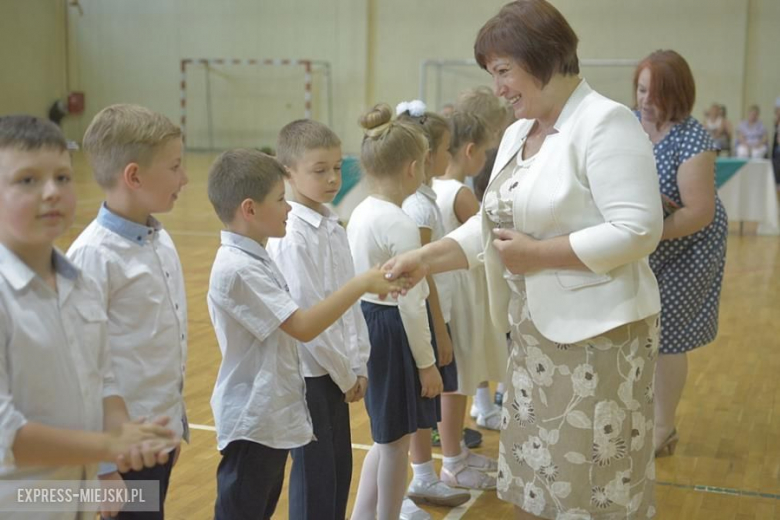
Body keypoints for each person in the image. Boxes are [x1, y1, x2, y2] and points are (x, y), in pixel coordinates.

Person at [384, 1, 664, 518]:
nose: (499, 88)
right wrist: (426, 258)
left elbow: (638, 229)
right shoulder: (518, 132)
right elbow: (490, 225)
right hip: (534, 336)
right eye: (493, 75)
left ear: (545, 58)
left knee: (594, 483)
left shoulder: (605, 123)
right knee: (550, 477)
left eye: (504, 71)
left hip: (599, 339)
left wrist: (537, 255)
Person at [206, 149, 401, 520]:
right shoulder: (238, 268)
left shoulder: (256, 256)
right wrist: (361, 283)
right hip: (252, 420)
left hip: (272, 415)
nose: (289, 208)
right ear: (249, 209)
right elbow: (304, 326)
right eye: (280, 200)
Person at [0, 115, 177, 520]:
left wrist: (122, 431)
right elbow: (8, 438)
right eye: (27, 180)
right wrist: (107, 450)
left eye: (62, 178)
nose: (51, 192)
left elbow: (100, 377)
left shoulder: (75, 283)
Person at [66, 104, 189, 520]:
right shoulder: (92, 256)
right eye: (175, 167)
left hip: (156, 437)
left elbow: (165, 341)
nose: (184, 178)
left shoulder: (158, 236)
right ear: (134, 176)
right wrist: (103, 470)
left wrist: (175, 428)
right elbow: (83, 366)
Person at [265, 119, 369, 520]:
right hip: (309, 375)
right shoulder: (291, 236)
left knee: (338, 474)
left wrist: (357, 364)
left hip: (337, 374)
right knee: (314, 483)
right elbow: (308, 322)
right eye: (319, 169)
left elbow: (349, 303)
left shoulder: (331, 223)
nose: (332, 179)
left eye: (337, 168)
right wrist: (346, 374)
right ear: (289, 173)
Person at [347, 104, 444, 520]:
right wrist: (427, 364)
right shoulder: (399, 222)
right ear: (411, 168)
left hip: (369, 322)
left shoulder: (363, 211)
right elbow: (411, 302)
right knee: (396, 443)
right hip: (391, 327)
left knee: (386, 440)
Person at [634, 50, 728, 457]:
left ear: (678, 95)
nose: (645, 100)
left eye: (655, 93)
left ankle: (662, 427)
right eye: (640, 89)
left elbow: (699, 212)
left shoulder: (693, 139)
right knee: (641, 331)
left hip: (689, 244)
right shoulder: (628, 123)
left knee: (668, 336)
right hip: (647, 239)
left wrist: (646, 237)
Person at [397, 101, 484, 515]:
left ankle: (428, 476)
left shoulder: (427, 198)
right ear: (427, 157)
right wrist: (441, 329)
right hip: (428, 319)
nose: (452, 157)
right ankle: (423, 478)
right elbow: (423, 274)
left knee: (426, 403)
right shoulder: (418, 206)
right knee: (417, 406)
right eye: (448, 149)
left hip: (438, 314)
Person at [434, 111, 507, 435]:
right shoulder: (459, 194)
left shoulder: (432, 187)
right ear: (470, 151)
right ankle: (454, 450)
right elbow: (485, 236)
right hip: (463, 286)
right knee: (462, 370)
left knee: (462, 369)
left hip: (449, 284)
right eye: (485, 152)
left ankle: (458, 443)